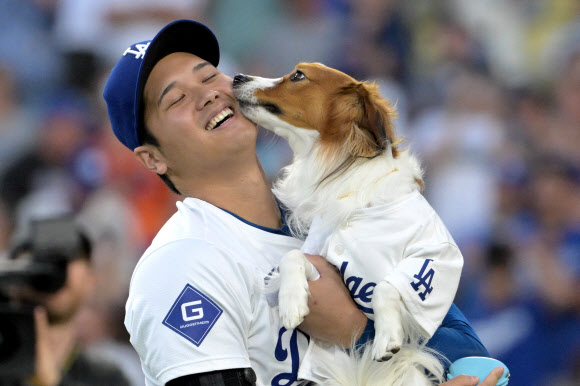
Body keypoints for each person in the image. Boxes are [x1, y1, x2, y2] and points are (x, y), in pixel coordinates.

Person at [103, 19, 504, 385]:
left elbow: (464, 347)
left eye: (209, 75)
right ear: (152, 158)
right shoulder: (183, 263)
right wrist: (356, 331)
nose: (207, 94)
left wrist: (355, 330)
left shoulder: (338, 205)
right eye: (176, 100)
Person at [2, 216, 131, 386]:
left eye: (64, 258)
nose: (52, 270)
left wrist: (51, 382)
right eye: (38, 257)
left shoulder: (108, 378)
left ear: (91, 279)